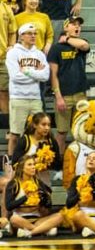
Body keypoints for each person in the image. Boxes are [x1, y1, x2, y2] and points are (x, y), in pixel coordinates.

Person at [6, 23, 49, 155]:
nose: (33, 36)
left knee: (41, 132)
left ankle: (39, 161)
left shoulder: (40, 54)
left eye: (35, 33)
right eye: (30, 33)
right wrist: (36, 73)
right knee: (15, 134)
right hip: (18, 98)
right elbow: (15, 76)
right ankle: (11, 165)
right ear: (21, 36)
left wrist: (28, 72)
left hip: (35, 98)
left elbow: (45, 76)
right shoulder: (13, 53)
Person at [47, 16, 89, 151]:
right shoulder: (56, 48)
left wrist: (69, 39)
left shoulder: (81, 43)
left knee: (82, 131)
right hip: (64, 95)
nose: (77, 27)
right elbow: (53, 74)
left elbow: (84, 46)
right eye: (73, 24)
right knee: (62, 132)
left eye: (79, 25)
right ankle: (59, 164)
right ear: (65, 27)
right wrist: (58, 96)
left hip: (80, 94)